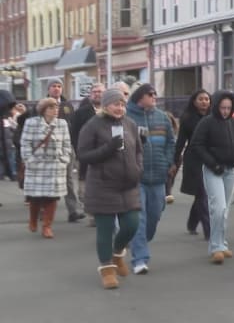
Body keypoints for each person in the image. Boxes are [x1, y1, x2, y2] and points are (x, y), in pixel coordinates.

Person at [77, 89, 143, 289]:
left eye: (122, 104)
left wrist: (138, 169)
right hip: (103, 186)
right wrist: (109, 148)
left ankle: (117, 254)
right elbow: (84, 155)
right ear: (106, 105)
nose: (120, 108)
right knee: (105, 230)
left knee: (132, 225)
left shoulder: (130, 124)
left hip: (128, 185)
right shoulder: (92, 126)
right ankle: (107, 269)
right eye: (116, 104)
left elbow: (139, 150)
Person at [190, 90, 234, 264]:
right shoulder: (207, 123)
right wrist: (212, 163)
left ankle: (221, 243)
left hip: (232, 170)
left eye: (228, 108)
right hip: (213, 170)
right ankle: (215, 246)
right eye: (222, 107)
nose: (225, 111)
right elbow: (196, 145)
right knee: (219, 208)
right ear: (216, 106)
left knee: (225, 210)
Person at [126, 84, 175, 275]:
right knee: (140, 217)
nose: (154, 97)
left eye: (155, 94)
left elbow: (171, 141)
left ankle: (137, 242)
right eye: (150, 94)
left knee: (154, 215)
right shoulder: (127, 118)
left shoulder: (162, 117)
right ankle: (140, 258)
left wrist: (169, 161)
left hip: (159, 176)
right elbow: (120, 144)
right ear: (140, 97)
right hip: (136, 177)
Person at [21, 98, 72, 239]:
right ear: (43, 110)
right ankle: (33, 219)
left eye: (56, 107)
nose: (55, 110)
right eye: (51, 108)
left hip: (56, 166)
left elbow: (67, 144)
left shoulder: (62, 124)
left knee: (52, 198)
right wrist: (29, 161)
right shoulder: (31, 123)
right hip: (37, 166)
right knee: (35, 197)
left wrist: (64, 160)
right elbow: (25, 144)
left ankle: (47, 226)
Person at [175, 90, 212, 239]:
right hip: (194, 159)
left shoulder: (213, 117)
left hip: (210, 158)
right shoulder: (188, 118)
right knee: (202, 193)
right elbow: (181, 142)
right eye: (201, 99)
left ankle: (192, 223)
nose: (204, 102)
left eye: (207, 99)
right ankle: (209, 231)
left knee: (202, 194)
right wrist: (174, 160)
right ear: (194, 101)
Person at [71, 83, 106, 227]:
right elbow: (74, 133)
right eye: (94, 91)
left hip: (106, 155)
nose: (97, 94)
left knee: (104, 186)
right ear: (90, 94)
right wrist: (79, 152)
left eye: (100, 91)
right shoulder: (81, 112)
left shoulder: (111, 110)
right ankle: (92, 214)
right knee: (85, 186)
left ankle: (102, 214)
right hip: (86, 155)